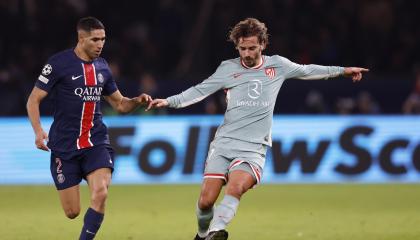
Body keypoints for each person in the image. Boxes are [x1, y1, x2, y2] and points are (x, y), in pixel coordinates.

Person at [147, 18, 369, 240]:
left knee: (236, 187)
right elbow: (200, 90)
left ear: (263, 44)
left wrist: (343, 71)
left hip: (254, 147)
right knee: (206, 201)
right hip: (224, 143)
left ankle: (217, 230)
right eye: (242, 48)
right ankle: (203, 234)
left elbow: (307, 70)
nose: (247, 54)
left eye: (252, 48)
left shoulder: (278, 65)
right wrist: (169, 101)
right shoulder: (228, 68)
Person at [26, 17, 152, 240]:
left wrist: (137, 101)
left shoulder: (103, 67)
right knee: (72, 212)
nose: (100, 44)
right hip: (64, 146)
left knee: (101, 192)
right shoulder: (57, 64)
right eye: (95, 39)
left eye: (103, 39)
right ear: (81, 38)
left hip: (96, 141)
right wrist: (38, 131)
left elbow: (120, 104)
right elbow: (33, 100)